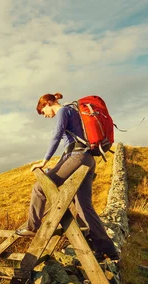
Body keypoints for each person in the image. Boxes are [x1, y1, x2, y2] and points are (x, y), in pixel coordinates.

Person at [16, 92, 119, 261]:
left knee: (40, 188)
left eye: (43, 111)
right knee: (84, 207)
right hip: (87, 159)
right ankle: (108, 250)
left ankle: (32, 226)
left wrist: (44, 162)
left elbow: (56, 136)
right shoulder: (75, 111)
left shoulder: (63, 111)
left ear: (48, 103)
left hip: (76, 157)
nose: (45, 116)